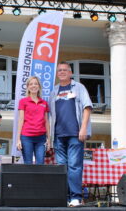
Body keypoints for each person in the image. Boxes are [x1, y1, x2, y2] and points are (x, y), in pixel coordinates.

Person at [49, 62, 92, 207]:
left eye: (65, 70)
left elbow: (87, 107)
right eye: (59, 70)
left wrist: (84, 128)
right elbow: (50, 116)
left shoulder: (79, 87)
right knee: (62, 167)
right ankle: (65, 197)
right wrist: (50, 138)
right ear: (57, 73)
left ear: (70, 72)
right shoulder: (54, 91)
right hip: (58, 135)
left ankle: (76, 197)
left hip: (75, 133)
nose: (62, 72)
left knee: (74, 165)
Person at [16, 76, 50, 164]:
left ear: (39, 86)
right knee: (28, 163)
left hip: (41, 138)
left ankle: (39, 178)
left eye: (36, 83)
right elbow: (21, 120)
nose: (33, 86)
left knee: (40, 163)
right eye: (31, 84)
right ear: (27, 87)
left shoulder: (44, 103)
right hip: (26, 137)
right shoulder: (23, 101)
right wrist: (18, 139)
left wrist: (49, 139)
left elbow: (46, 122)